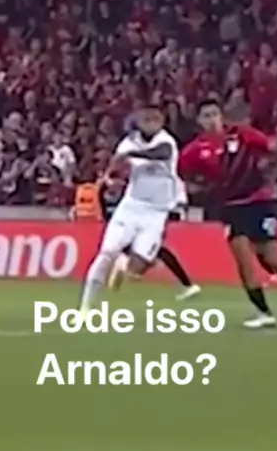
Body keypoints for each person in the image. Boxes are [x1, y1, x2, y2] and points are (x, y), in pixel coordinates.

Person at [178, 98, 277, 329]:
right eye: (206, 116)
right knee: (243, 260)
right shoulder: (194, 150)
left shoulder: (242, 134)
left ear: (222, 116)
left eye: (214, 114)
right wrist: (199, 189)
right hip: (231, 207)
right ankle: (263, 313)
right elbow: (184, 174)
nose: (212, 120)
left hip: (260, 201)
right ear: (199, 121)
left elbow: (269, 148)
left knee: (272, 258)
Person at [77, 104, 194, 318]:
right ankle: (85, 308)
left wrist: (131, 154)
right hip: (131, 207)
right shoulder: (128, 141)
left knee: (138, 267)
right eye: (147, 119)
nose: (152, 123)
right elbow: (117, 163)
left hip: (156, 212)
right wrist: (110, 176)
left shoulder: (166, 142)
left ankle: (124, 264)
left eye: (156, 119)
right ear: (138, 121)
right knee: (106, 254)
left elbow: (160, 154)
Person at [100, 174, 201, 301]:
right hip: (147, 216)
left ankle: (125, 264)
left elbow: (179, 202)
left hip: (155, 217)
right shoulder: (160, 178)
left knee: (155, 252)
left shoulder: (171, 180)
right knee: (155, 252)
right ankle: (126, 264)